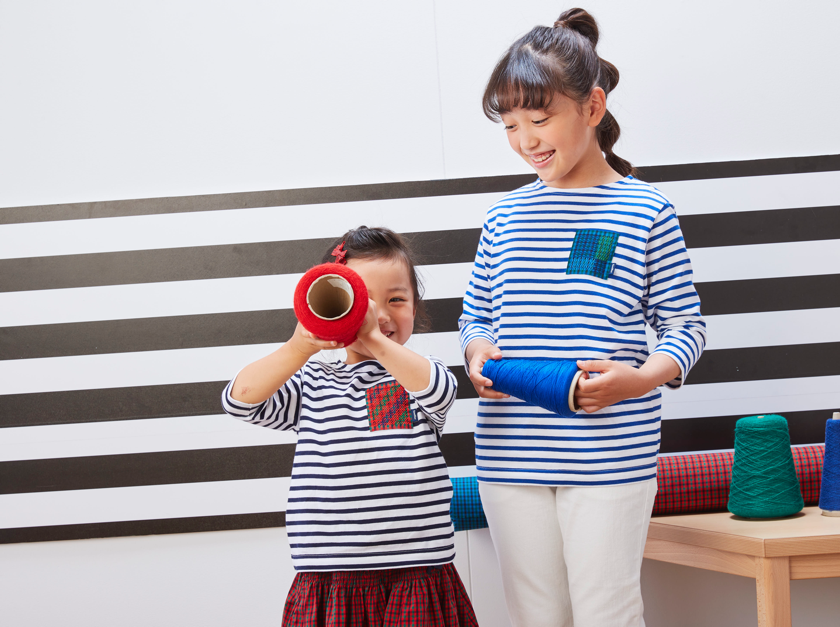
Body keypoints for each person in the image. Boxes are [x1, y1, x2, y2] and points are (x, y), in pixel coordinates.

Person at [459, 8, 707, 627]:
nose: (526, 141)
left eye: (539, 120)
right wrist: (476, 351)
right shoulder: (503, 217)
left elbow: (686, 327)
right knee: (536, 616)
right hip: (510, 453)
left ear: (592, 107)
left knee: (607, 613)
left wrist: (640, 380)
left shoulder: (645, 210)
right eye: (511, 125)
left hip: (610, 454)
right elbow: (476, 317)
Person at [223, 226, 477, 627]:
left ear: (416, 308)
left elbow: (438, 389)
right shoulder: (312, 383)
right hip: (329, 577)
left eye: (397, 300)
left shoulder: (419, 376)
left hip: (418, 571)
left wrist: (373, 337)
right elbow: (240, 400)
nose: (381, 315)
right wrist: (300, 346)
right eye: (365, 302)